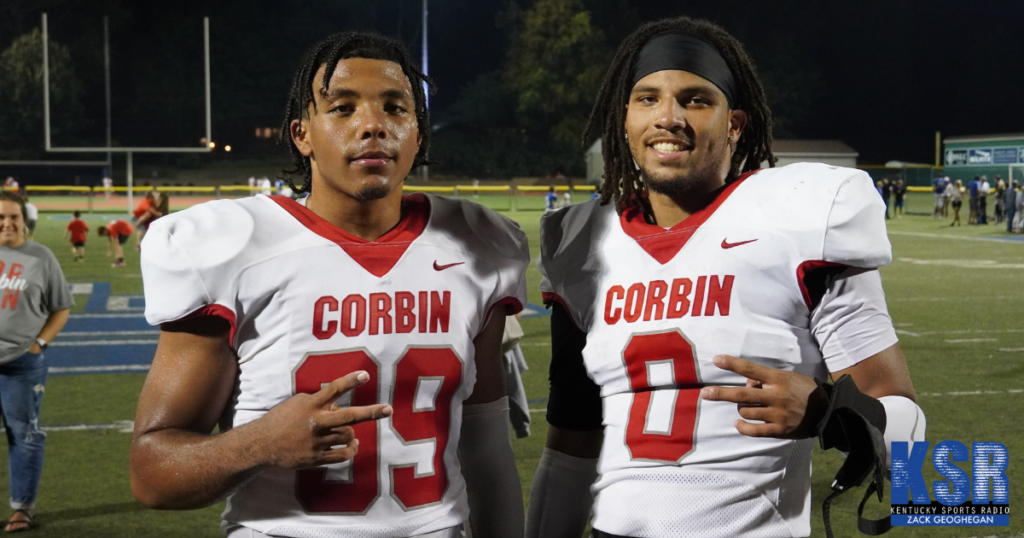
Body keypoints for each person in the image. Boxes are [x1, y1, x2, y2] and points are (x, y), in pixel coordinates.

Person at [526, 17, 925, 538]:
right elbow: (568, 452)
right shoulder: (582, 243)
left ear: (734, 124)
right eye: (647, 98)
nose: (667, 117)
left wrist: (830, 413)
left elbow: (910, 428)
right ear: (624, 118)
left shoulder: (800, 220)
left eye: (695, 99)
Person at [129, 32, 528, 538]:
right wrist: (258, 444)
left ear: (418, 134)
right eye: (342, 108)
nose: (373, 126)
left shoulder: (476, 246)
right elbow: (151, 475)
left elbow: (487, 446)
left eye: (395, 108)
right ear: (302, 134)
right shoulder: (234, 250)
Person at [0, 191, 74, 533]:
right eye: (1, 217)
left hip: (21, 364)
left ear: (24, 220)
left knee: (24, 436)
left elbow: (61, 307)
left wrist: (39, 344)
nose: (7, 223)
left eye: (13, 216)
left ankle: (22, 509)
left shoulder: (40, 257)